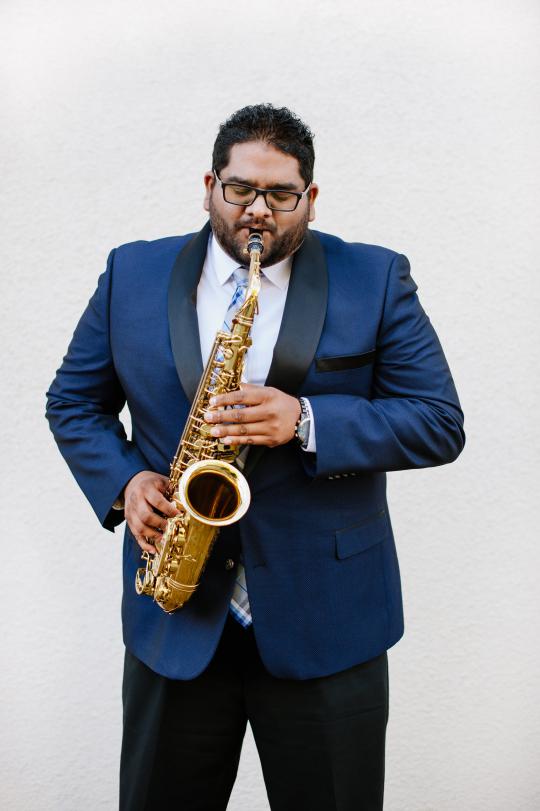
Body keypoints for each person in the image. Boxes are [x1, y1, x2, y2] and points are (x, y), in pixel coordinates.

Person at [46, 103, 465, 811]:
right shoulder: (131, 272)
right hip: (174, 615)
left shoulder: (377, 276)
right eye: (240, 190)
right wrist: (127, 482)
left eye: (280, 194)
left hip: (327, 626)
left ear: (311, 197)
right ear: (210, 183)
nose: (258, 213)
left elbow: (438, 420)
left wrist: (305, 419)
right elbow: (72, 403)